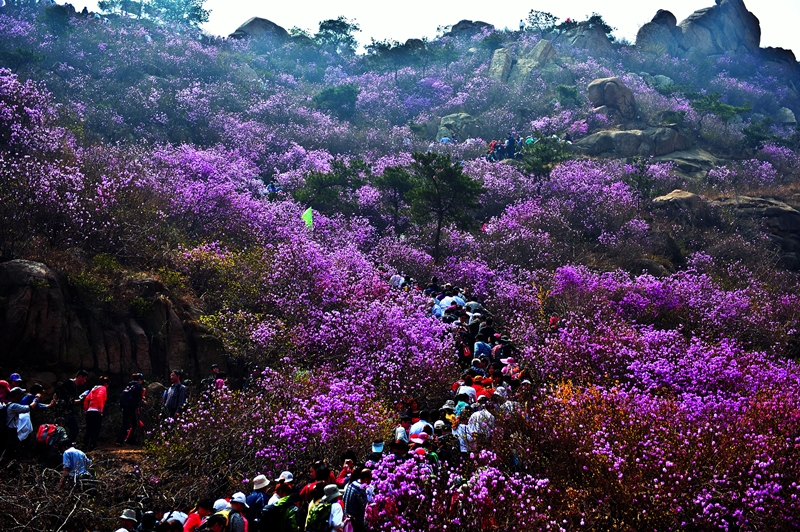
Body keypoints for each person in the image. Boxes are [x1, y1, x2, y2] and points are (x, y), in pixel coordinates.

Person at [2, 387, 38, 462]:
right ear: (16, 395)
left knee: (9, 450)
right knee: (10, 450)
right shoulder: (14, 406)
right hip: (11, 431)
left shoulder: (9, 404)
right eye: (20, 394)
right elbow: (28, 408)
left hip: (8, 431)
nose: (21, 396)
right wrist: (36, 399)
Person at [53, 369, 89, 442]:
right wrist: (81, 400)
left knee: (59, 430)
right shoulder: (71, 385)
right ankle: (66, 445)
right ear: (80, 377)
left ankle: (59, 447)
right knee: (74, 429)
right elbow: (70, 402)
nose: (85, 381)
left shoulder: (67, 383)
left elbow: (58, 395)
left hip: (61, 411)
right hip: (66, 412)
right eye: (85, 379)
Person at [117, 373, 146, 445]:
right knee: (134, 424)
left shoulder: (129, 385)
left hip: (125, 407)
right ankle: (129, 440)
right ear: (139, 379)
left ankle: (120, 440)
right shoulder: (138, 386)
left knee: (126, 423)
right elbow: (137, 398)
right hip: (132, 408)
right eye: (141, 380)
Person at [82, 376, 108, 450]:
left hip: (89, 411)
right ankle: (92, 445)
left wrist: (85, 409)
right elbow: (99, 397)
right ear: (106, 384)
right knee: (96, 429)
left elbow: (87, 399)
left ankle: (85, 444)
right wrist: (100, 408)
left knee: (89, 429)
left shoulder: (94, 389)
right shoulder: (103, 388)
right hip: (96, 412)